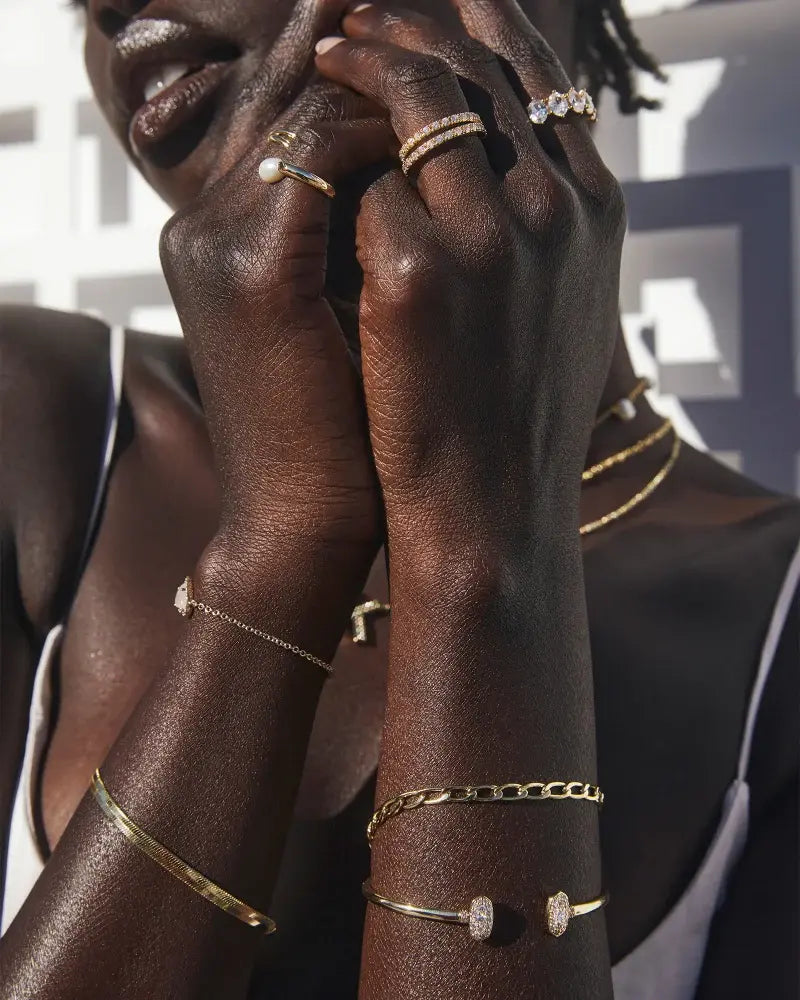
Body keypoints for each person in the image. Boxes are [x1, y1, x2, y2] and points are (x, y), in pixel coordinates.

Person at [0, 0, 797, 997]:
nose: (107, 8)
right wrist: (284, 542)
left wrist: (480, 543)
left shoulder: (777, 615)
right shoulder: (41, 427)